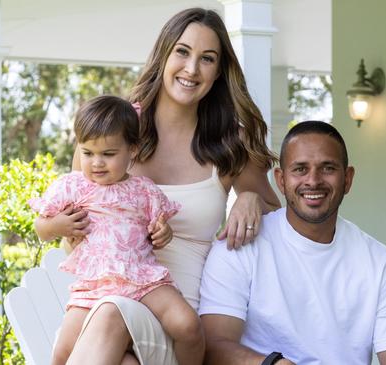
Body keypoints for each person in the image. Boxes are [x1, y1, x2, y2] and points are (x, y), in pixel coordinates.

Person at [34, 8, 280, 365]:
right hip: (102, 303)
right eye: (182, 52)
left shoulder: (228, 143)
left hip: (177, 322)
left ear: (218, 71)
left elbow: (281, 223)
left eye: (207, 59)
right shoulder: (109, 134)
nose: (192, 69)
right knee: (117, 337)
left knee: (111, 315)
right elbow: (74, 237)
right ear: (164, 54)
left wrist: (253, 198)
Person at [199, 121, 386, 365]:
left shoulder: (381, 264)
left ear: (347, 179)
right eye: (300, 169)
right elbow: (214, 347)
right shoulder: (238, 247)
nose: (313, 180)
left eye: (327, 168)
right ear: (281, 180)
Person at [30, 95, 206, 365]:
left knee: (188, 326)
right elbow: (41, 228)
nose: (96, 163)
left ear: (132, 150)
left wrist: (163, 233)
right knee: (62, 353)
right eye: (87, 153)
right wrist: (56, 225)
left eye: (108, 154)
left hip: (142, 278)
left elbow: (161, 226)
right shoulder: (73, 186)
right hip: (93, 286)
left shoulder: (144, 190)